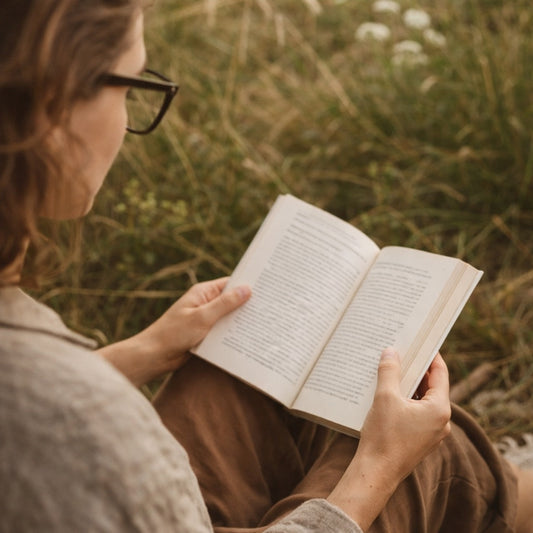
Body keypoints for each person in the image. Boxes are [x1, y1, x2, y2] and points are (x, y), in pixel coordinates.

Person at [0, 1, 531, 531]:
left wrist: (144, 352)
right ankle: (502, 493)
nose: (128, 121)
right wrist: (377, 468)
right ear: (51, 106)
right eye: (132, 87)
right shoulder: (69, 411)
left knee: (231, 373)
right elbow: (48, 409)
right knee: (423, 455)